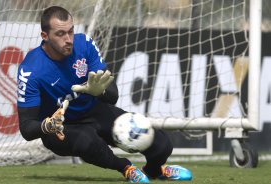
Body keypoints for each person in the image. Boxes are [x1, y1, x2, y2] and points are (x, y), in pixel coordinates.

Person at [17, 6, 192, 183]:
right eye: (60, 34)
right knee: (87, 141)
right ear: (44, 36)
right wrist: (48, 125)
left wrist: (98, 91)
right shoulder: (30, 69)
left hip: (94, 111)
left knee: (162, 144)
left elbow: (113, 95)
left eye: (70, 31)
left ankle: (154, 171)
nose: (68, 39)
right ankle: (126, 168)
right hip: (62, 128)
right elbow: (26, 128)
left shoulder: (84, 44)